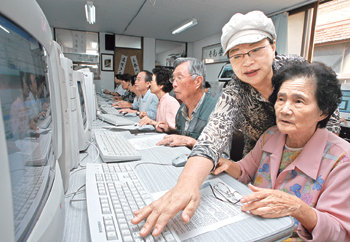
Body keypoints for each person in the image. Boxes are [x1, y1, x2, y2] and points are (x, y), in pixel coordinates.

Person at [131, 11, 341, 237]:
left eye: (255, 50)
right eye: (236, 55)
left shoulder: (298, 72)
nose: (247, 61)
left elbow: (328, 123)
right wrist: (186, 185)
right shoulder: (237, 88)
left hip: (312, 157)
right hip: (264, 153)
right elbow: (213, 135)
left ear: (273, 46)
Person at [211, 62, 350, 241]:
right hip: (253, 229)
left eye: (298, 101)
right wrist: (226, 165)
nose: (284, 109)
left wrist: (297, 208)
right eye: (281, 99)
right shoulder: (271, 135)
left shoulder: (342, 159)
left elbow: (339, 232)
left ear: (323, 112)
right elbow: (244, 171)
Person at [156, 57, 219, 148]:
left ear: (197, 81)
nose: (174, 84)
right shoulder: (182, 109)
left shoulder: (216, 110)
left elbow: (222, 156)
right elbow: (184, 136)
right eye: (173, 79)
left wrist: (191, 142)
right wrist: (170, 130)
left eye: (179, 78)